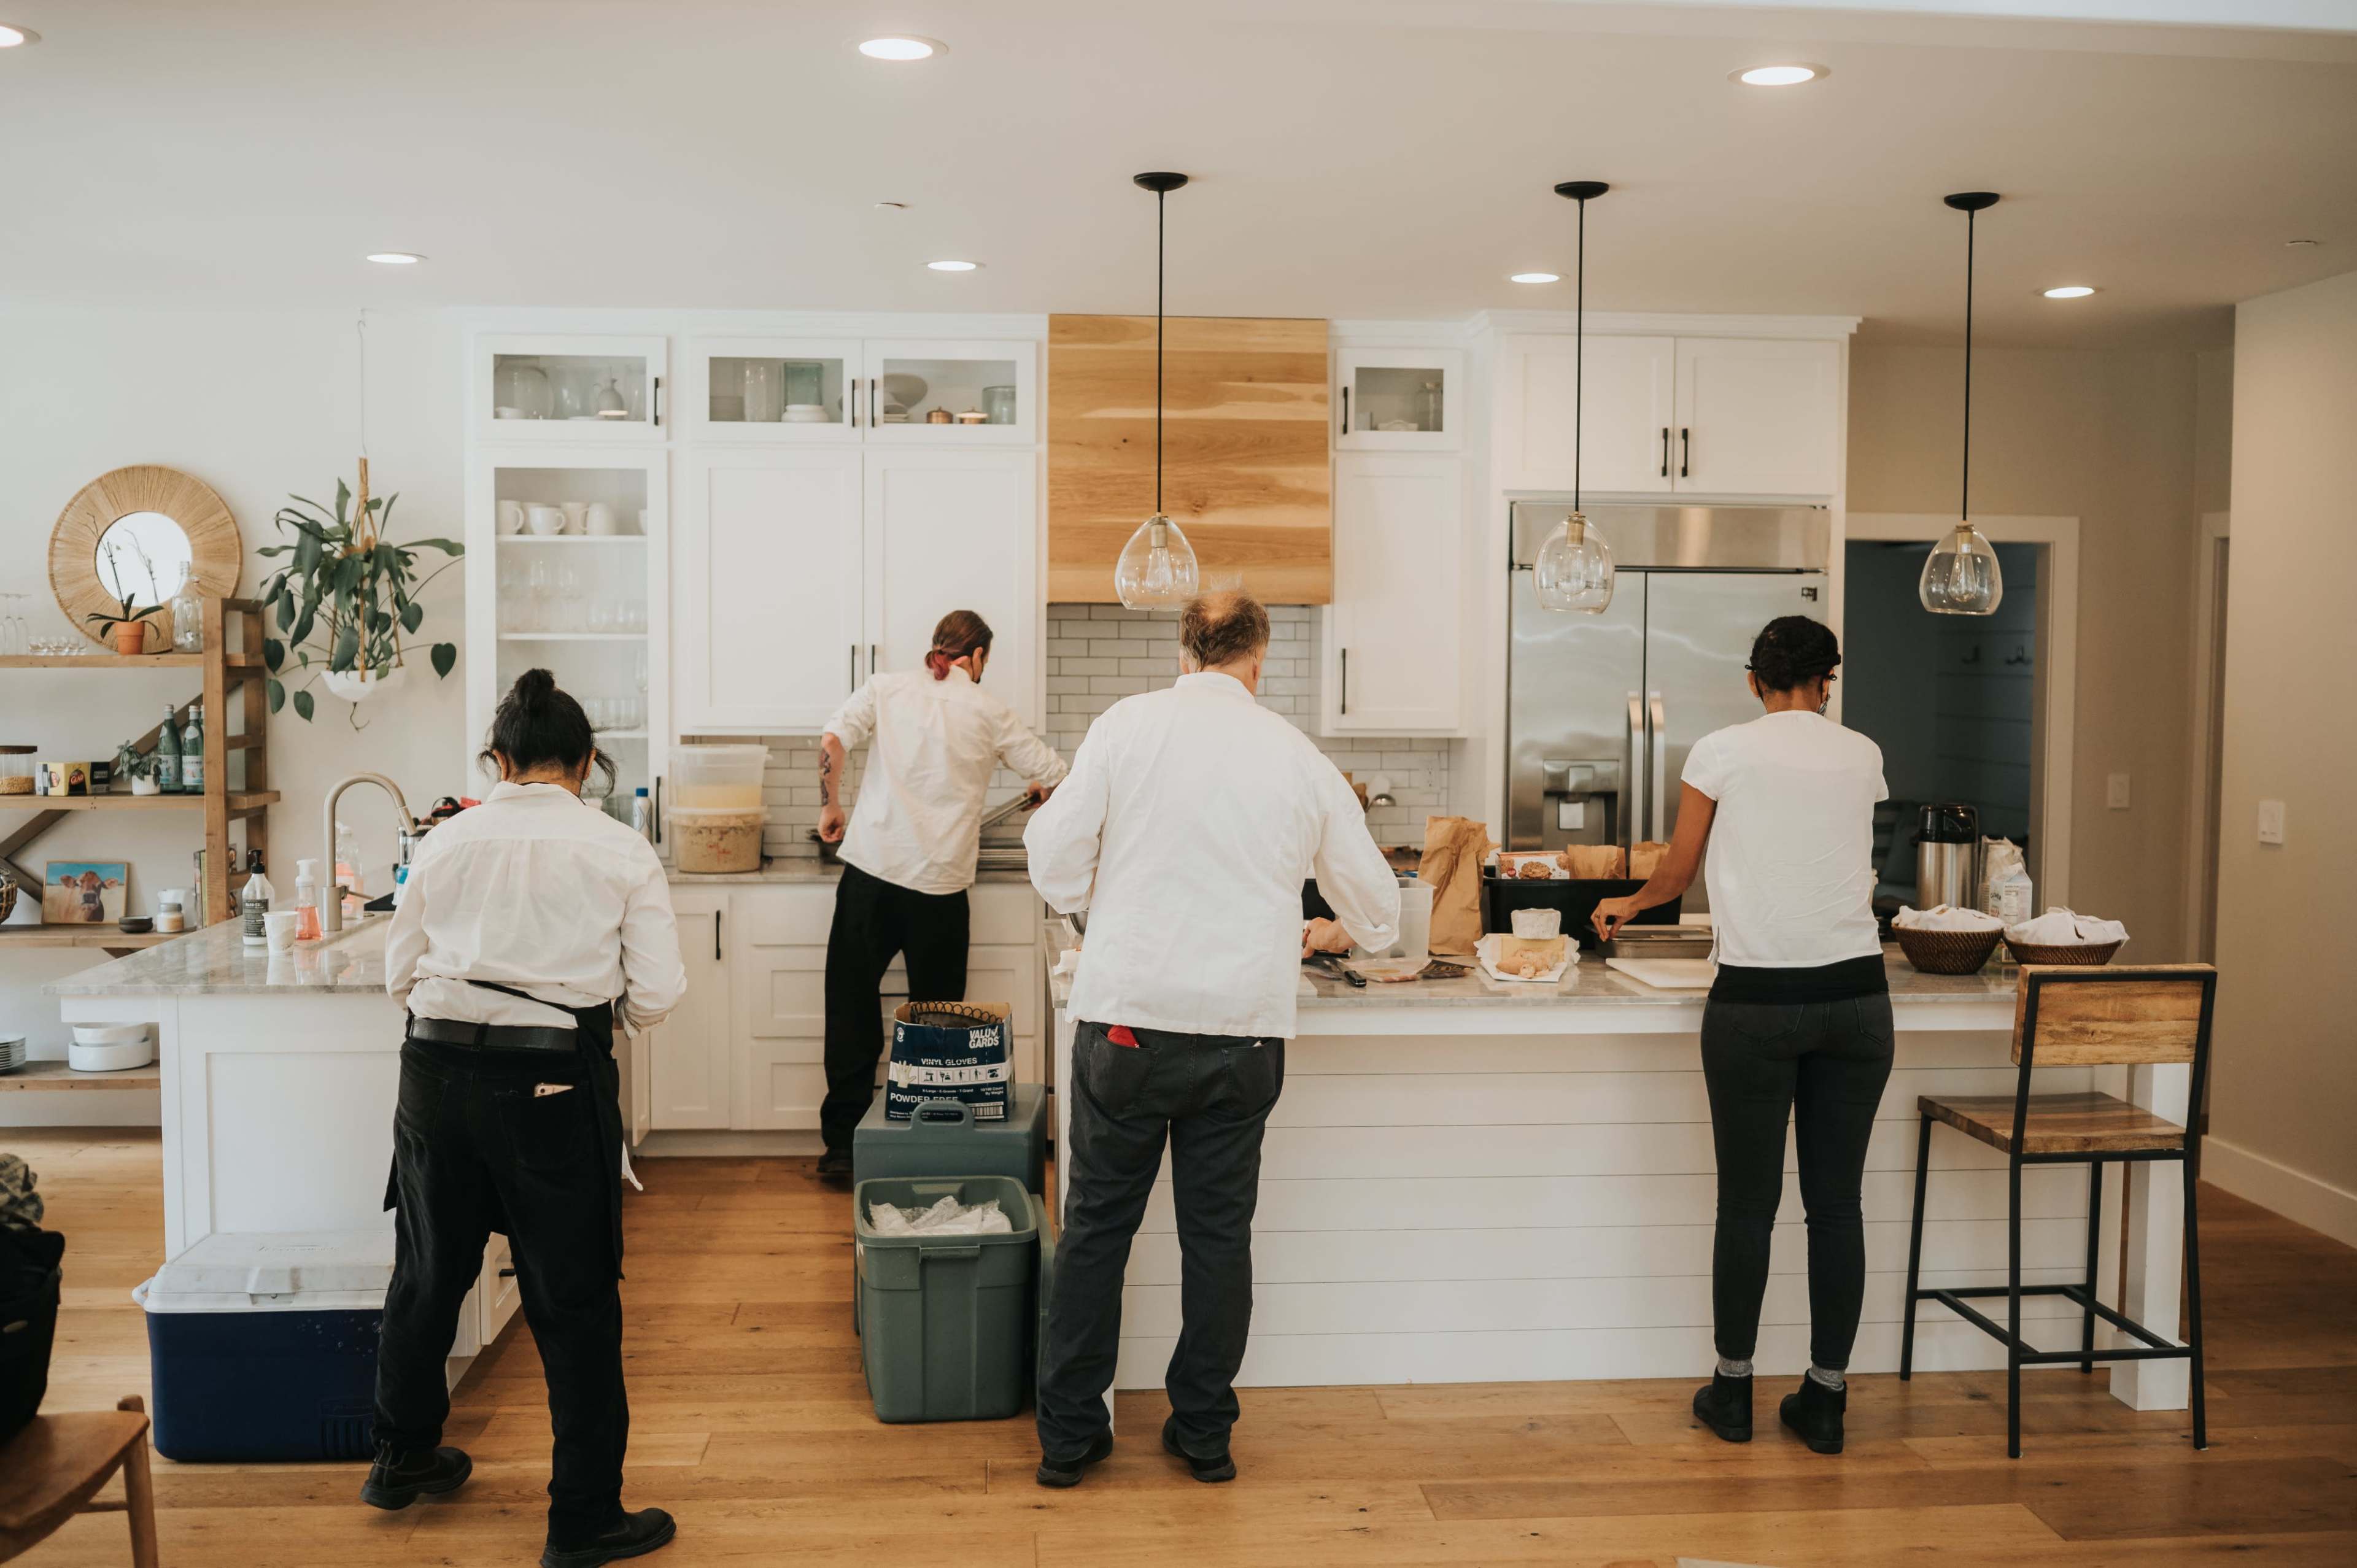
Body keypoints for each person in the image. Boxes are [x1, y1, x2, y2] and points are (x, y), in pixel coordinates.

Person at [1024, 590, 1399, 1488]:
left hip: (1127, 1023)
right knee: (1218, 1238)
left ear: (1184, 650)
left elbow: (1050, 855)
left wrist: (1095, 899)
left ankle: (1070, 1437)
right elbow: (1380, 911)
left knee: (1096, 1234)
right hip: (1240, 1034)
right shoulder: (1297, 756)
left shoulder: (1126, 725)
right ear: (1257, 661)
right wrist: (1339, 928)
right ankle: (1203, 1432)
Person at [369, 668, 687, 1568]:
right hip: (550, 1084)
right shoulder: (620, 847)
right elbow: (658, 992)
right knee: (573, 1298)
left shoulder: (444, 841)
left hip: (432, 1070)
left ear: (497, 760)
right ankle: (583, 1515)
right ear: (586, 762)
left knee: (428, 1272)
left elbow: (400, 975)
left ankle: (402, 1456)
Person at [1592, 617, 1890, 1458]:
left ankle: (1731, 1392)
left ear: (1754, 679)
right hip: (1859, 1001)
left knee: (1747, 1205)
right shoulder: (1862, 754)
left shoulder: (1723, 749)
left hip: (1758, 1004)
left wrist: (1627, 903)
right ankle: (1826, 1400)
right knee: (1837, 1206)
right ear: (1825, 681)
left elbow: (1679, 872)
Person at [813, 609, 1067, 1183]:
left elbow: (833, 740)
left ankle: (842, 1151)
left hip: (870, 877)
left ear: (936, 648)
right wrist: (1040, 788)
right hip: (940, 891)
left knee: (851, 1010)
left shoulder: (885, 687)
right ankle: (925, 1140)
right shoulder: (989, 710)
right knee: (936, 1025)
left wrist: (831, 805)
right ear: (976, 658)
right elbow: (1057, 773)